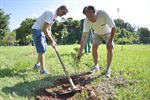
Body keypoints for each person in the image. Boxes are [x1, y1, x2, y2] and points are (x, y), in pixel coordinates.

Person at [77, 5, 116, 78]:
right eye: (88, 17)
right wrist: (80, 52)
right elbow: (84, 37)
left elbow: (114, 27)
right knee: (94, 47)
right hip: (97, 33)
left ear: (96, 12)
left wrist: (110, 41)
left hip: (108, 32)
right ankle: (96, 66)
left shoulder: (103, 14)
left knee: (109, 47)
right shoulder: (86, 21)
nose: (91, 19)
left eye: (92, 16)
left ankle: (108, 68)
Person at [32, 5, 68, 75]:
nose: (63, 14)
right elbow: (44, 28)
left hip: (41, 30)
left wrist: (50, 30)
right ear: (60, 9)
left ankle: (37, 64)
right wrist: (52, 41)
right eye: (63, 12)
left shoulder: (55, 16)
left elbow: (49, 25)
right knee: (41, 49)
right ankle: (42, 70)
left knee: (44, 49)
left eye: (65, 14)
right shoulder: (51, 13)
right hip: (37, 30)